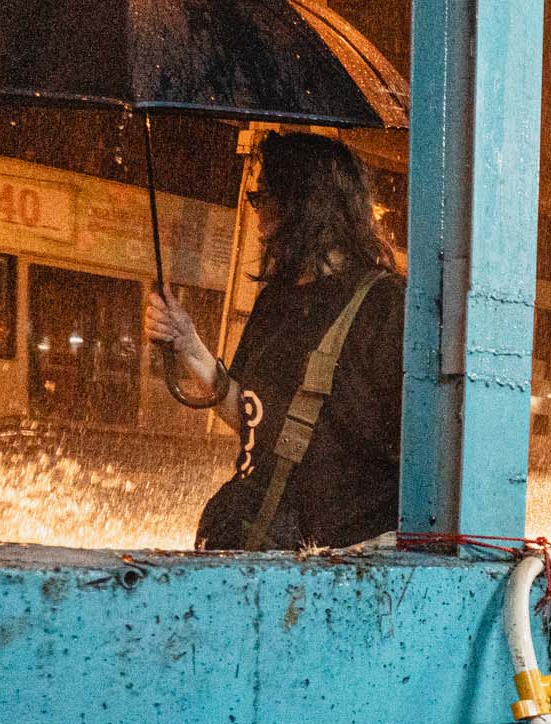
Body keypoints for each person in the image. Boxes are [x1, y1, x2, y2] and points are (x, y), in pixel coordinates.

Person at [145, 132, 405, 550]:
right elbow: (253, 419)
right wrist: (189, 345)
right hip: (259, 546)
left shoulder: (388, 306)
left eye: (263, 197)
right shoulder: (274, 301)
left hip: (338, 565)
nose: (258, 218)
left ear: (307, 204)